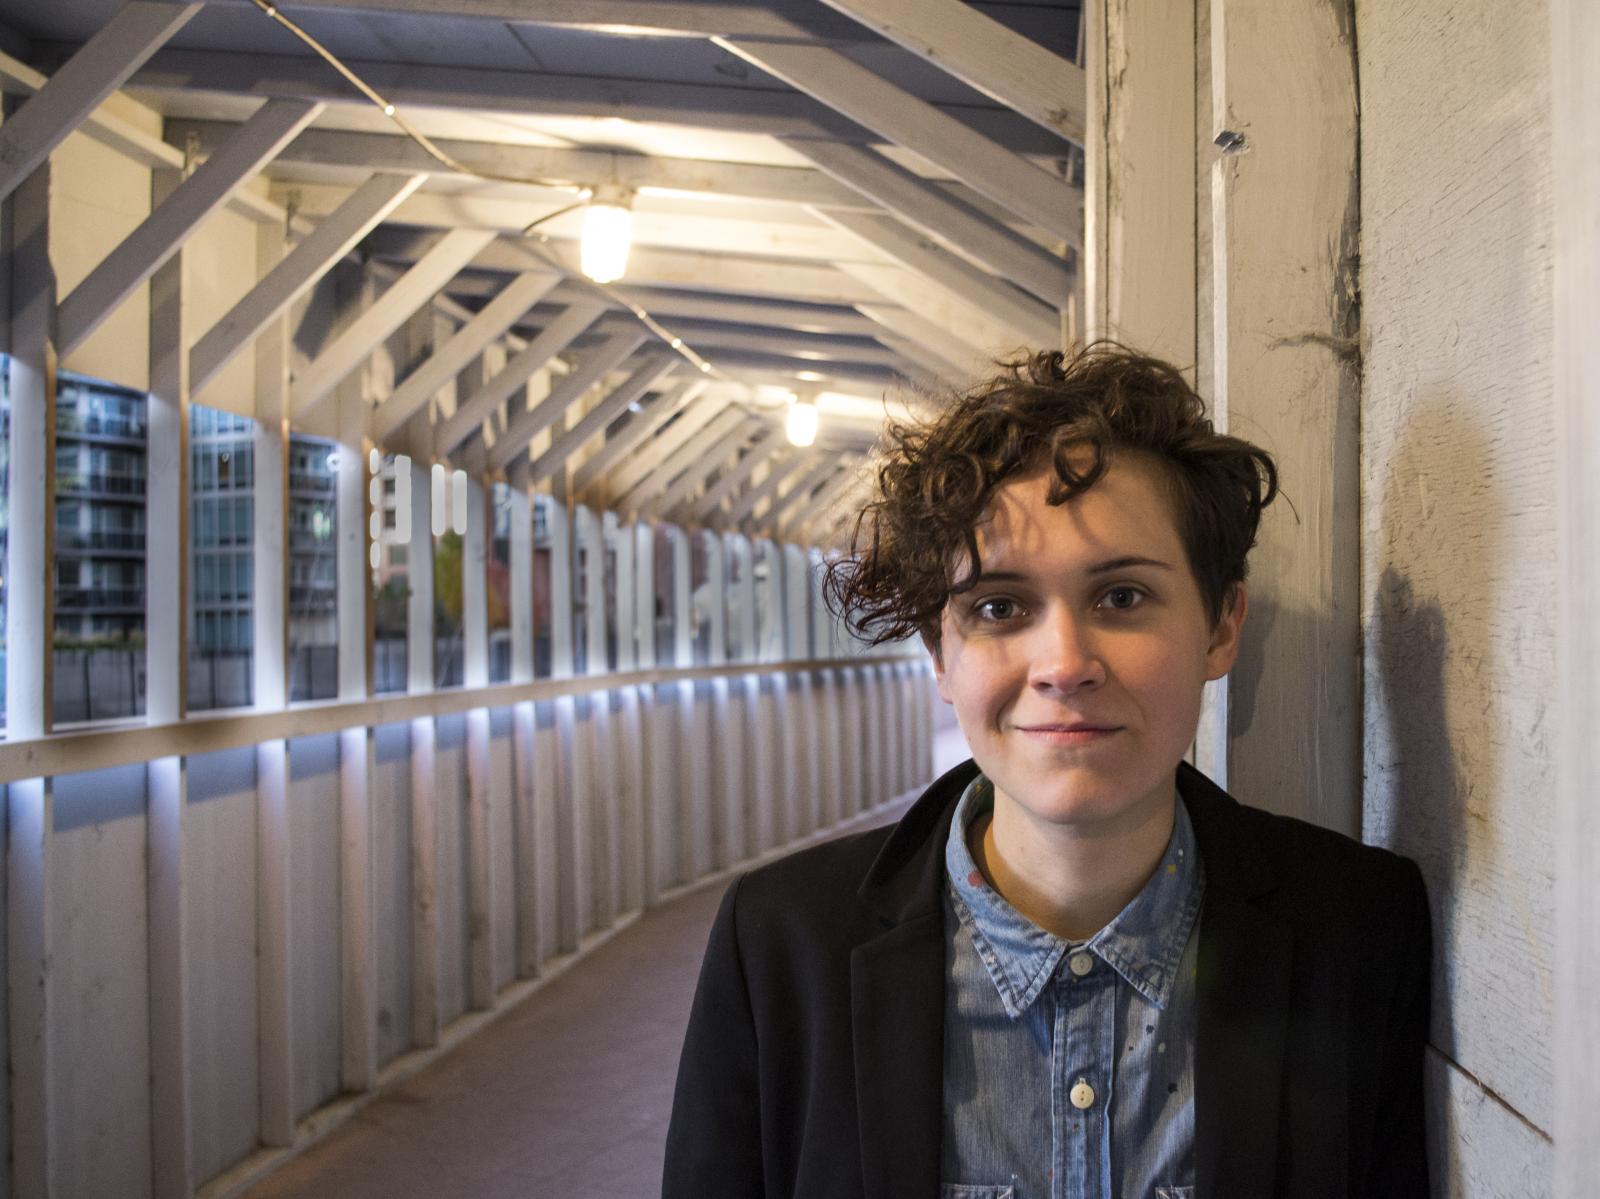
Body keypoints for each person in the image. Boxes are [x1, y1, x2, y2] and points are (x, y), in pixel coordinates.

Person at [662, 344, 1431, 1199]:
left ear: (1220, 627)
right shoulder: (782, 944)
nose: (1063, 663)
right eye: (999, 607)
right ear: (939, 654)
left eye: (1122, 598)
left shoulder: (1359, 930)